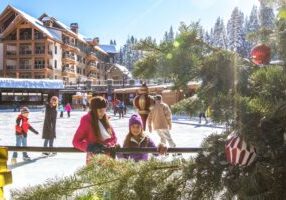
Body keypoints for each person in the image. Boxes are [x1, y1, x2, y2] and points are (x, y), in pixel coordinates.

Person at [73, 96, 117, 164]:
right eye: (100, 111)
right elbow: (76, 141)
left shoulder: (105, 120)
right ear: (94, 110)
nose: (102, 113)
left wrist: (108, 145)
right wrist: (90, 147)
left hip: (108, 159)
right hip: (93, 159)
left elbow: (114, 138)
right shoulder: (87, 121)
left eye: (104, 110)